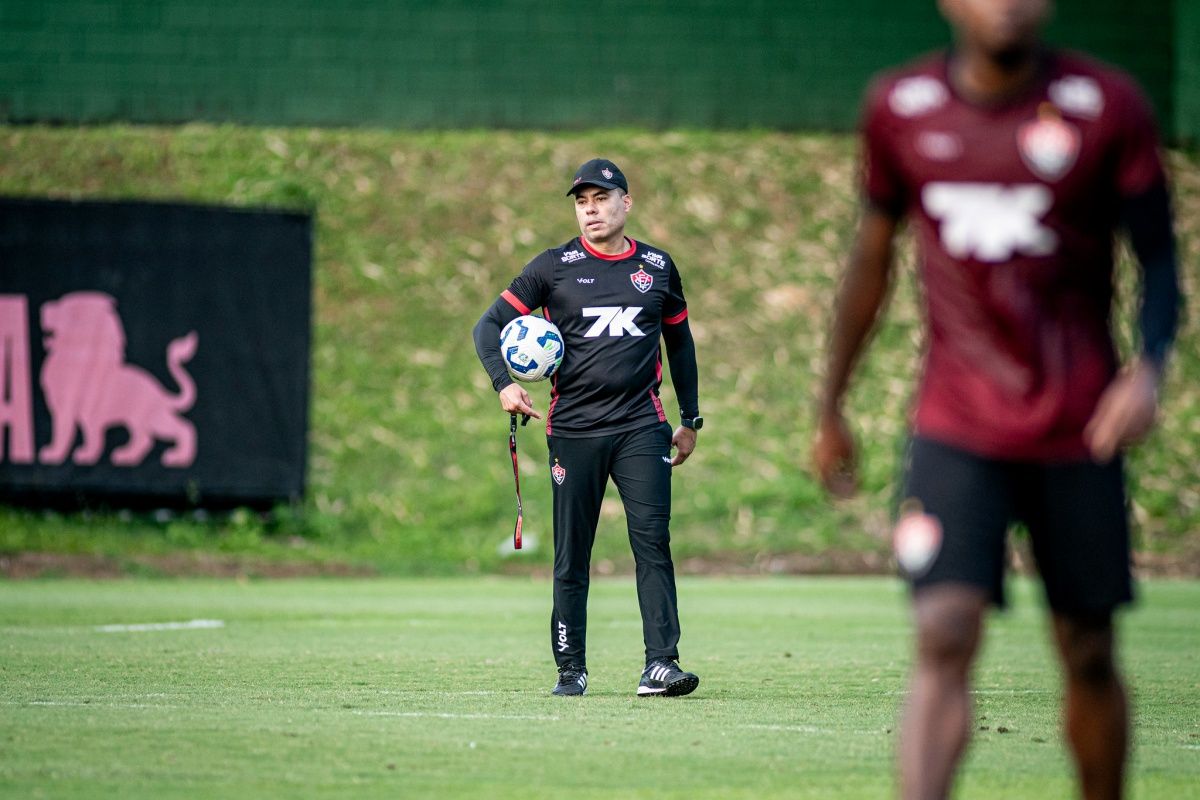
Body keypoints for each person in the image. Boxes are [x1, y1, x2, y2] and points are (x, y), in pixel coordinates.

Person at [812, 0, 1181, 797]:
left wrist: (1147, 369)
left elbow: (1159, 260)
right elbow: (870, 263)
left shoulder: (1108, 105)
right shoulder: (900, 108)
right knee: (943, 631)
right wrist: (831, 405)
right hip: (957, 422)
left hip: (1079, 423)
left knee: (1087, 645)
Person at [474, 158, 703, 698]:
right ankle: (570, 668)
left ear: (627, 202)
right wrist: (503, 384)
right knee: (572, 553)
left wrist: (690, 418)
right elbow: (488, 326)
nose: (591, 209)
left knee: (653, 542)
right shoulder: (553, 267)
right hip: (573, 430)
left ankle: (660, 665)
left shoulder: (657, 266)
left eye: (601, 198)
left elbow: (681, 345)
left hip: (641, 427)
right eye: (582, 201)